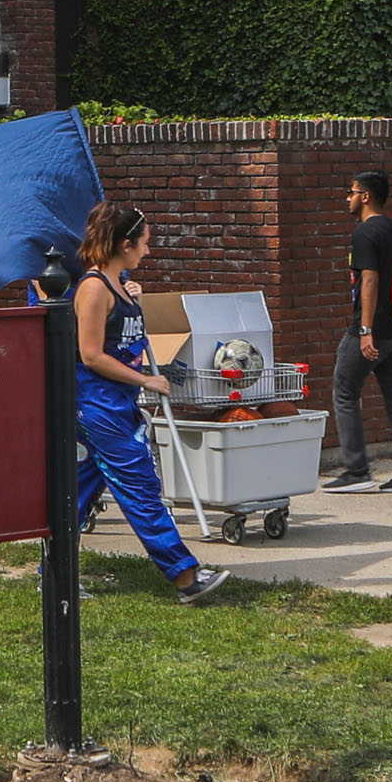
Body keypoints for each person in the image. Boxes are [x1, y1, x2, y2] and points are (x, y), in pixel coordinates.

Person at [65, 201, 233, 602]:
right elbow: (90, 354)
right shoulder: (92, 288)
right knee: (140, 485)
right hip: (96, 404)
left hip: (116, 403)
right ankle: (184, 576)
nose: (148, 250)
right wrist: (146, 380)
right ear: (125, 244)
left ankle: (52, 572)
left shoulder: (119, 284)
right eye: (144, 243)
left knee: (82, 488)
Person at [325, 170, 392, 492]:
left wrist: (365, 330)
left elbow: (370, 280)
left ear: (365, 196)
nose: (348, 197)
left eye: (351, 192)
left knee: (344, 393)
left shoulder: (365, 234)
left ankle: (356, 471)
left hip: (370, 331)